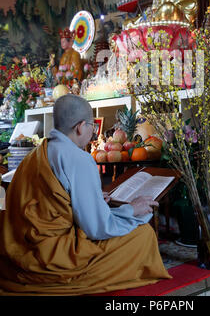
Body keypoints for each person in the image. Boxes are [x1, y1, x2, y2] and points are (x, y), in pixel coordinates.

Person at [0, 94, 171, 295]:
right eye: (91, 126)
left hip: (20, 251)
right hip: (54, 257)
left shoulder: (35, 155)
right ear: (81, 127)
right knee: (142, 236)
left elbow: (52, 207)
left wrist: (96, 201)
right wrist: (131, 209)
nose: (92, 131)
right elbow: (97, 228)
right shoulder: (80, 159)